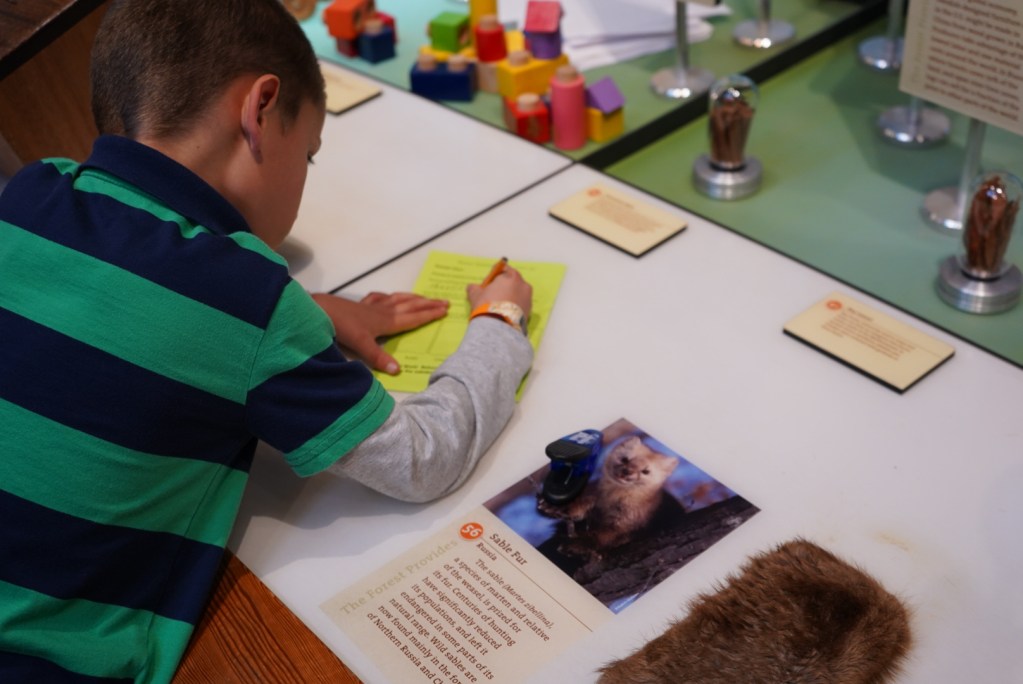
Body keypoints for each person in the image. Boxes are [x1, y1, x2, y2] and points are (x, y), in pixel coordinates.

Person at [0, 1, 534, 681]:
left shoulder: (30, 196)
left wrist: (308, 312)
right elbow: (419, 459)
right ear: (259, 108)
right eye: (307, 152)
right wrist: (498, 323)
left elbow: (119, 302)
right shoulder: (245, 297)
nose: (305, 174)